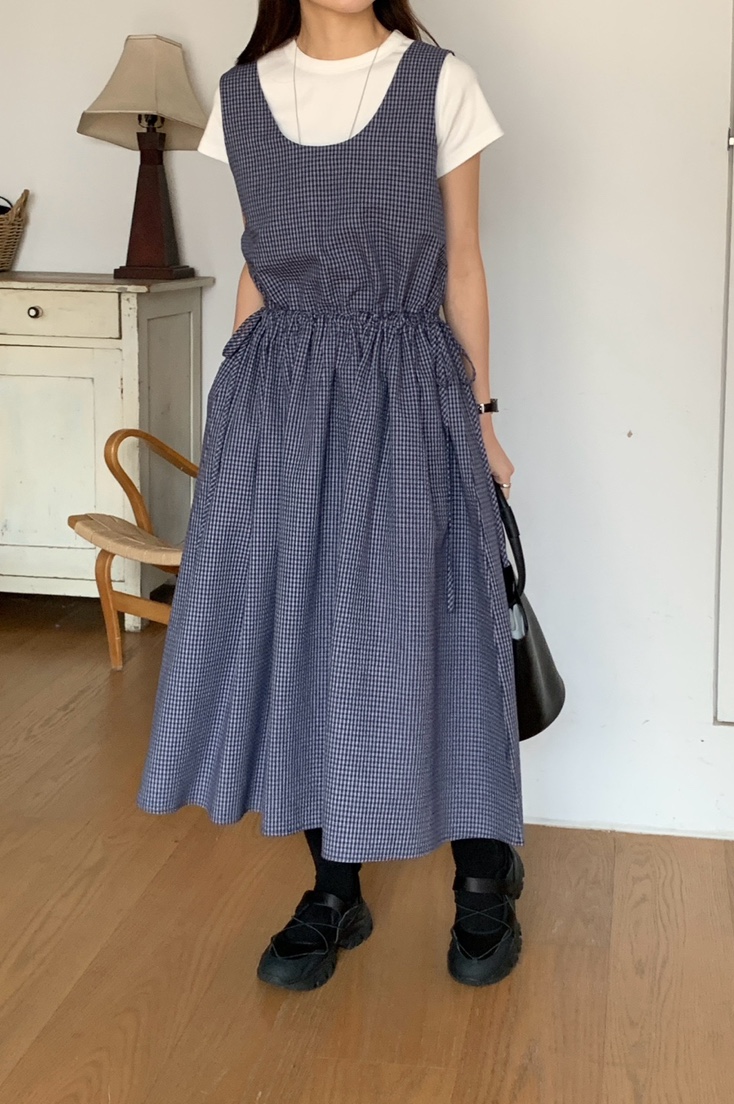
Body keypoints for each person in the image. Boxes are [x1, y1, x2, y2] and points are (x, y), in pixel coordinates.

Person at [137, 0, 525, 991]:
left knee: (441, 625)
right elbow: (258, 265)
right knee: (303, 637)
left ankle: (484, 877)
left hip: (408, 391)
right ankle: (334, 889)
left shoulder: (440, 82)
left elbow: (466, 260)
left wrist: (482, 417)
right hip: (280, 400)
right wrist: (233, 414)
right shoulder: (241, 97)